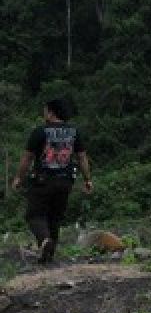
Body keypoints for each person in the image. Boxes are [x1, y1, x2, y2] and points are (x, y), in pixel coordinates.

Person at [11, 99, 92, 265]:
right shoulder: (74, 132)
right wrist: (87, 179)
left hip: (43, 181)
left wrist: (19, 177)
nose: (44, 114)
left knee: (34, 215)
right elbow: (82, 157)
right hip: (66, 181)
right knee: (54, 217)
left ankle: (44, 240)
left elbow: (27, 158)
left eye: (45, 110)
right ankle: (48, 257)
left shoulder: (40, 132)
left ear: (51, 112)